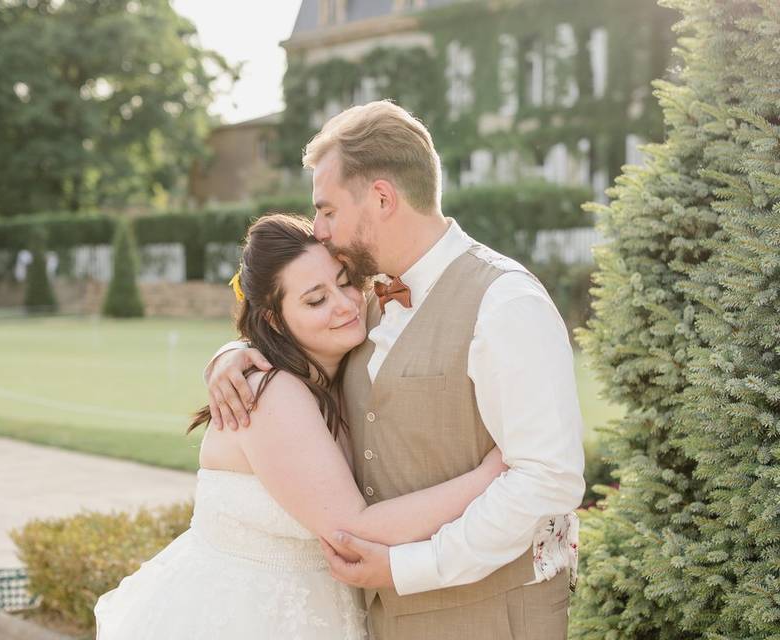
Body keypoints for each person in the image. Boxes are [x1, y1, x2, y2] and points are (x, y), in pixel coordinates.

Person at [205, 101, 586, 640]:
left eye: (328, 210)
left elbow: (549, 480)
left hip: (492, 617)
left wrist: (410, 568)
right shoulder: (366, 304)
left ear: (382, 197)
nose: (318, 228)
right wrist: (231, 354)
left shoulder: (505, 302)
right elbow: (299, 353)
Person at [93, 214, 510, 640]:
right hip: (246, 617)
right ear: (274, 319)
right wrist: (492, 474)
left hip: (322, 612)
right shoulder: (271, 394)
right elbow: (352, 528)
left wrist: (230, 350)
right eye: (315, 301)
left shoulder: (345, 365)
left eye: (345, 282)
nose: (345, 305)